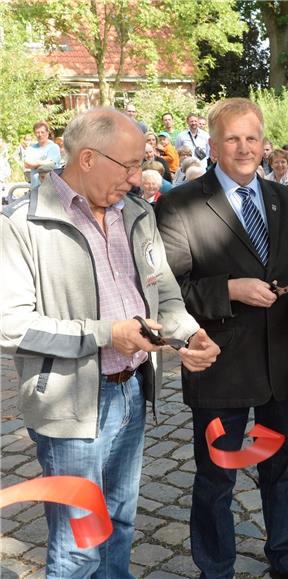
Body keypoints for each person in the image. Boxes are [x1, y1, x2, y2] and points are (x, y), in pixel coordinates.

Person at [0, 107, 220, 577]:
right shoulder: (23, 223)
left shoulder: (137, 213)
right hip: (70, 404)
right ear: (86, 159)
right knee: (78, 548)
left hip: (132, 389)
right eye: (129, 165)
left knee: (119, 524)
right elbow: (11, 327)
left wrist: (189, 333)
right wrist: (105, 333)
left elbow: (165, 294)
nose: (138, 177)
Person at [156, 97, 288, 579]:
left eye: (252, 138)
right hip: (220, 364)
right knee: (217, 476)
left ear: (264, 143)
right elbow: (168, 290)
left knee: (282, 465)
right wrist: (230, 289)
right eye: (232, 139)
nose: (244, 148)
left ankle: (286, 558)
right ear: (213, 146)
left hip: (281, 361)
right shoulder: (180, 204)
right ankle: (216, 569)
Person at [24, 121, 61, 193]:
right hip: (35, 188)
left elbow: (51, 164)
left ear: (47, 133)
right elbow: (26, 164)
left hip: (51, 189)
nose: (40, 135)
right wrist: (43, 162)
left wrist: (34, 163)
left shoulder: (54, 147)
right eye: (37, 132)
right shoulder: (31, 148)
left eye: (42, 132)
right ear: (35, 134)